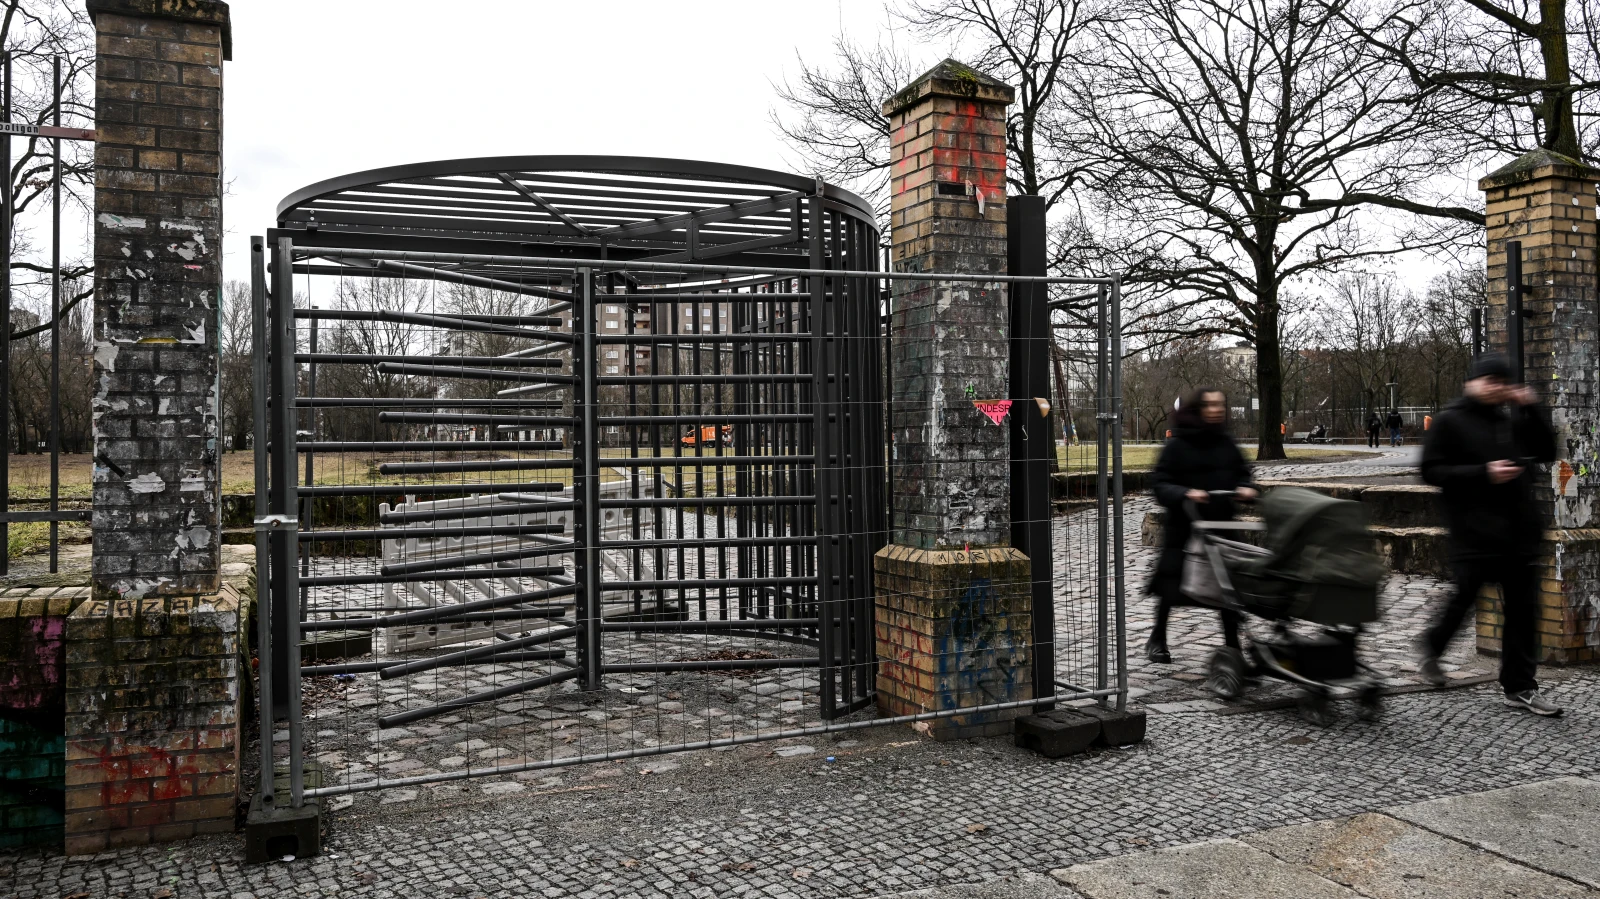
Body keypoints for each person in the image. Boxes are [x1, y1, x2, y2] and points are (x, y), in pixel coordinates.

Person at [1418, 354, 1560, 716]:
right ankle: (1433, 647)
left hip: (1518, 533)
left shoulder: (1510, 420)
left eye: (1502, 381)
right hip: (1473, 533)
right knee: (1463, 601)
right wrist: (1484, 473)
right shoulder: (1450, 421)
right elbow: (1431, 471)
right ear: (1473, 382)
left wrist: (1531, 409)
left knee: (1523, 612)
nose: (1497, 387)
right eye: (1490, 380)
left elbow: (1547, 451)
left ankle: (1520, 686)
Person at [1145, 387, 1259, 663]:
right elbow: (1160, 484)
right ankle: (1158, 636)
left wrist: (1245, 489)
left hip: (1222, 526)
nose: (1217, 409)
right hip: (1186, 527)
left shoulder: (1227, 443)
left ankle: (1233, 647)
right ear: (1198, 409)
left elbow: (1243, 474)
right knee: (1172, 585)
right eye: (1210, 405)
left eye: (1221, 404)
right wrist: (1185, 493)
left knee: (1228, 587)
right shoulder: (1177, 445)